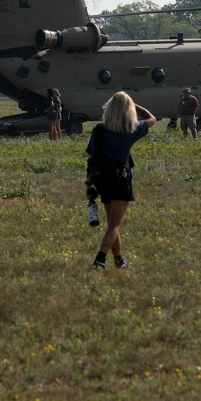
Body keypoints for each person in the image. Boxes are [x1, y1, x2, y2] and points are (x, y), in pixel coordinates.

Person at [86, 92, 156, 270]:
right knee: (115, 224)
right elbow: (152, 118)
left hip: (102, 179)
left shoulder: (98, 130)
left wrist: (88, 184)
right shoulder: (131, 129)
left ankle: (119, 260)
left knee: (112, 224)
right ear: (128, 110)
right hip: (121, 179)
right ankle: (100, 259)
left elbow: (92, 159)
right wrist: (135, 105)